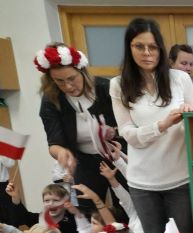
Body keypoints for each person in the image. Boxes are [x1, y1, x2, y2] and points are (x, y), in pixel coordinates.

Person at [110, 18, 193, 233]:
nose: (147, 53)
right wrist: (162, 125)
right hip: (143, 183)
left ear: (161, 49)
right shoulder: (118, 85)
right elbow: (127, 134)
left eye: (152, 47)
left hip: (179, 178)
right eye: (139, 46)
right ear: (129, 48)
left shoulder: (180, 79)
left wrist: (187, 117)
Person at [36, 43, 126, 210]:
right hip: (84, 162)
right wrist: (61, 152)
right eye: (60, 81)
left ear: (82, 71)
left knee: (128, 205)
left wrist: (114, 131)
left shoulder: (105, 88)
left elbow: (130, 124)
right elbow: (54, 143)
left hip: (119, 156)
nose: (68, 86)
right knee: (87, 209)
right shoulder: (50, 100)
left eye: (71, 78)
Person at [169, 44, 193, 111]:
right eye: (184, 63)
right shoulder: (164, 92)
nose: (189, 68)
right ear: (171, 63)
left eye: (191, 64)